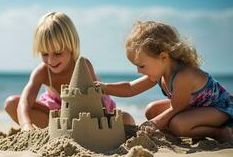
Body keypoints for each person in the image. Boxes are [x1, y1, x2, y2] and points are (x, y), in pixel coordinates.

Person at [96, 21, 233, 143]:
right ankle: (185, 133)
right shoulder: (159, 73)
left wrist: (155, 123)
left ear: (163, 57)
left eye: (141, 66)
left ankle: (219, 133)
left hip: (219, 109)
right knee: (152, 110)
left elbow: (177, 107)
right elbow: (130, 88)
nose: (138, 71)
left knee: (178, 125)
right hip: (194, 108)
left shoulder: (183, 75)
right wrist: (105, 88)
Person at [4, 11, 135, 131]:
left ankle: (84, 132)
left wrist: (103, 123)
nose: (51, 60)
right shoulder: (42, 72)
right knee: (11, 103)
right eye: (44, 54)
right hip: (57, 114)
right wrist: (26, 125)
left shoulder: (83, 66)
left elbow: (97, 101)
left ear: (71, 48)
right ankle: (56, 131)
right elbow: (25, 101)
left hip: (90, 113)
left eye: (57, 53)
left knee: (127, 118)